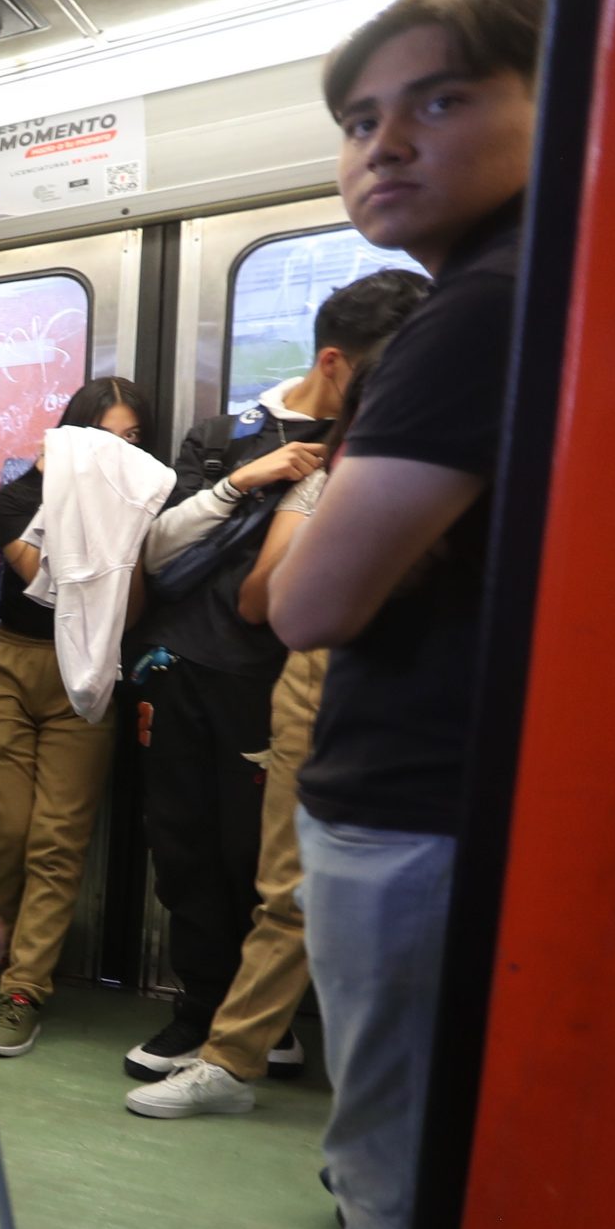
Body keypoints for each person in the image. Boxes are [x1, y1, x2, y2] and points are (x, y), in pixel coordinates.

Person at [150, 0, 546, 1229]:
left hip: (417, 802)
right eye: (359, 119)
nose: (385, 145)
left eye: (441, 99)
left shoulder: (479, 312)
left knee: (385, 1154)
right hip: (443, 786)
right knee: (395, 1137)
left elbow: (302, 598)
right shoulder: (513, 295)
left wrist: (324, 443)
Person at [119, 269, 429, 1085]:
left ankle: (266, 1022)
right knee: (181, 845)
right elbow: (151, 551)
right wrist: (238, 482)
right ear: (334, 361)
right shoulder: (227, 434)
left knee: (258, 859)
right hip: (181, 665)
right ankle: (200, 1010)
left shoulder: (382, 444)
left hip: (282, 679)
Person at [0, 378, 152, 1055]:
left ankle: (23, 990)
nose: (121, 452)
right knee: (10, 829)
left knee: (57, 839)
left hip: (89, 675)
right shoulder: (19, 496)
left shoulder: (137, 510)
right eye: (107, 437)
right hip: (11, 665)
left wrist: (124, 530)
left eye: (133, 440)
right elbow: (42, 581)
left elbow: (123, 617)